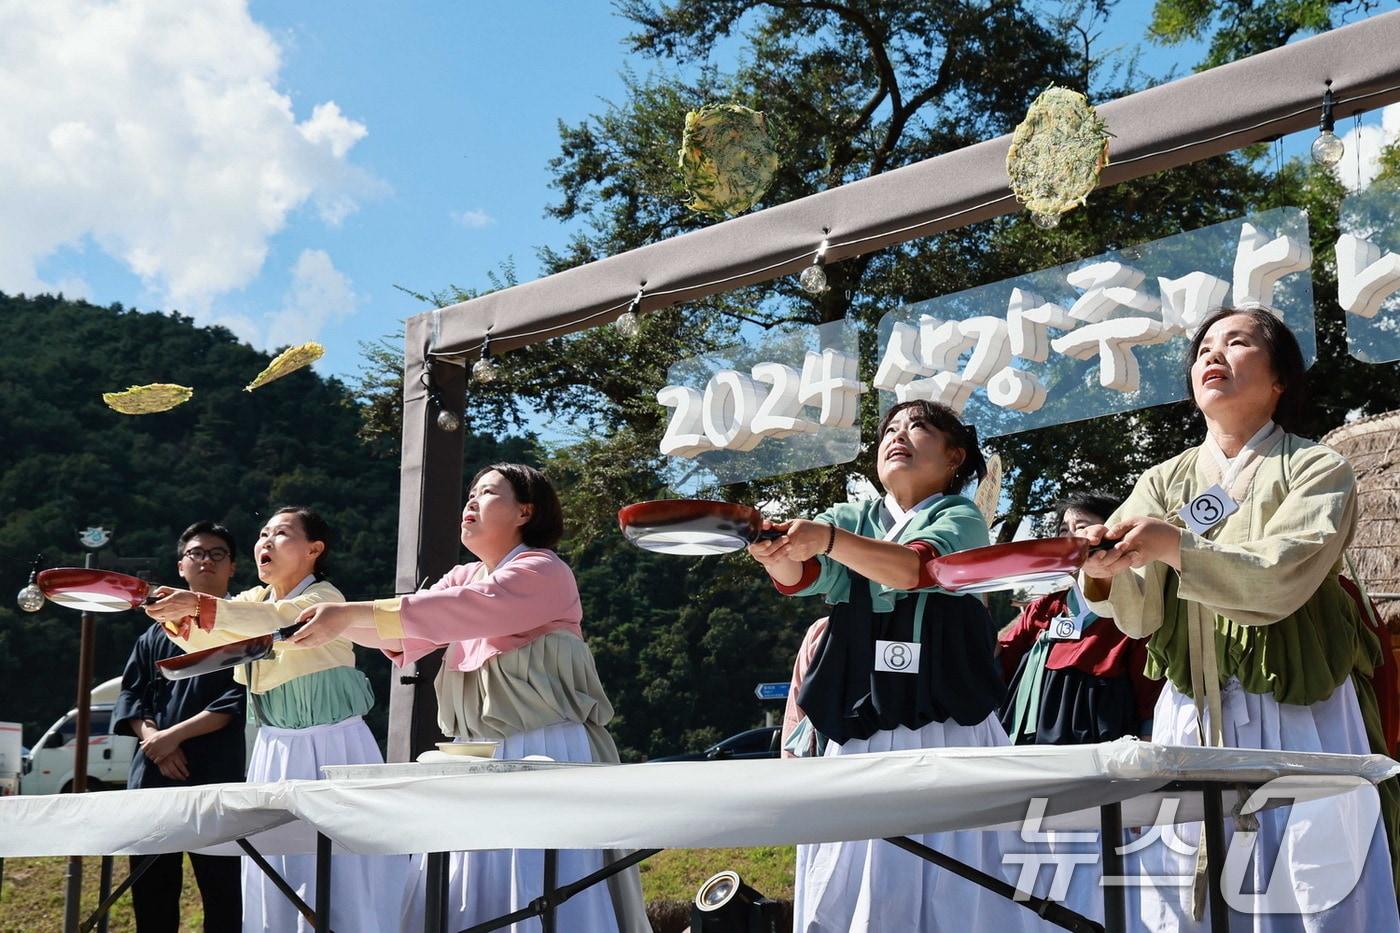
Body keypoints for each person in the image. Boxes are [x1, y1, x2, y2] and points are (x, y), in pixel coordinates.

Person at [1080, 305, 1400, 931]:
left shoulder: (1315, 466)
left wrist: (1174, 546)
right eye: (1202, 347)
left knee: (1313, 882)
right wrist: (1102, 565)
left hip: (1298, 710)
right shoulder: (1162, 478)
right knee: (1182, 889)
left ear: (1280, 378)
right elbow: (1141, 615)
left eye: (1236, 343)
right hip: (1192, 710)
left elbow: (1285, 572)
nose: (1211, 355)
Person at [289, 463, 648, 933]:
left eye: (487, 493)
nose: (471, 502)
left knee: (540, 890)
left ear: (525, 510)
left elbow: (456, 612)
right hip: (477, 761)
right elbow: (407, 630)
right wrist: (324, 624)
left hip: (545, 754)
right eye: (470, 493)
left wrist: (343, 615)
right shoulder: (463, 577)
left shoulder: (543, 569)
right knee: (468, 895)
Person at [747, 399, 1041, 932]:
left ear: (955, 457)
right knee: (854, 879)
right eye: (890, 429)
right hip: (859, 726)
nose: (897, 435)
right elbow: (804, 576)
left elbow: (915, 570)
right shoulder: (853, 518)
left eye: (918, 428)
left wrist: (828, 542)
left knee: (956, 880)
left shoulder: (961, 517)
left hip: (947, 729)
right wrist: (777, 553)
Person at [145, 506, 404, 933]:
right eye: (263, 533)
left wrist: (198, 606)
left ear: (313, 549)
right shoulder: (250, 600)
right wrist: (173, 613)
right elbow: (216, 627)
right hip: (273, 746)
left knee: (340, 866)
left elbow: (278, 621)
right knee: (273, 863)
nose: (265, 541)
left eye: (281, 533)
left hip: (334, 745)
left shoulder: (326, 598)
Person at [113, 520, 246, 933]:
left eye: (217, 554)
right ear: (180, 567)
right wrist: (152, 738)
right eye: (197, 553)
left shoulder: (245, 627)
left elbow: (238, 699)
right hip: (152, 772)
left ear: (232, 568)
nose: (206, 560)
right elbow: (132, 695)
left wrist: (173, 737)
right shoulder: (153, 635)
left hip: (214, 774)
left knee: (223, 889)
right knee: (151, 890)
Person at [998, 491, 1159, 747]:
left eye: (1081, 528)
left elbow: (1147, 681)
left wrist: (1149, 733)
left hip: (1100, 739)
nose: (1070, 539)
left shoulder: (1133, 608)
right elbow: (1003, 657)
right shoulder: (1045, 606)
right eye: (1063, 531)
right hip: (1031, 739)